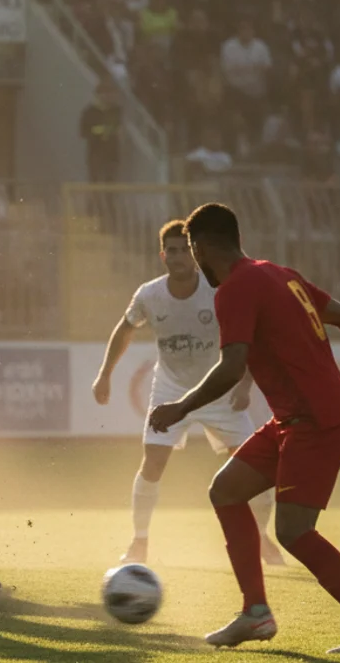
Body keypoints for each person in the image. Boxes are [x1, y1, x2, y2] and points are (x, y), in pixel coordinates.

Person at [149, 203, 340, 654]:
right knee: (226, 490)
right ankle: (256, 613)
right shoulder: (278, 273)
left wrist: (181, 407)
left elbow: (232, 366)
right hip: (295, 417)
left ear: (200, 247)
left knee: (294, 532)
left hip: (315, 420)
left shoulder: (235, 288)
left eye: (194, 253)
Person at [93, 221, 283, 567]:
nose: (179, 257)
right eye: (173, 251)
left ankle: (262, 537)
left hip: (218, 387)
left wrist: (244, 385)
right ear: (163, 255)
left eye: (185, 250)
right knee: (153, 460)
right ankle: (139, 542)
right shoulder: (149, 295)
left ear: (195, 256)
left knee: (255, 465)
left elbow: (253, 335)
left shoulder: (219, 291)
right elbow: (124, 329)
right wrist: (105, 375)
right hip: (170, 388)